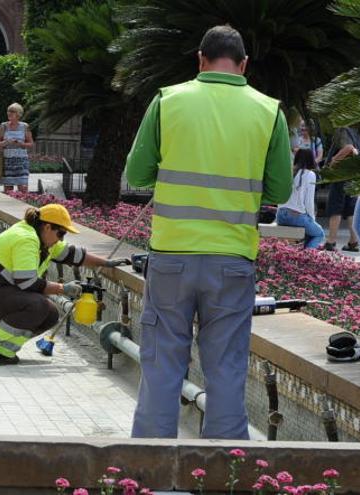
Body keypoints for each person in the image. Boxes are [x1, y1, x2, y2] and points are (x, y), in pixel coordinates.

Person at [124, 25, 292, 439]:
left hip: (171, 259)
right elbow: (281, 189)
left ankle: (149, 474)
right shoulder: (269, 110)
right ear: (244, 64)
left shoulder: (169, 100)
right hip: (232, 262)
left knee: (161, 367)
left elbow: (137, 173)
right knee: (227, 371)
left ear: (200, 59)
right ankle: (224, 474)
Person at [0, 204, 127, 365]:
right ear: (47, 227)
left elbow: (73, 255)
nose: (61, 239)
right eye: (60, 233)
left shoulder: (43, 238)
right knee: (38, 305)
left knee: (51, 314)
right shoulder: (26, 239)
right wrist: (63, 289)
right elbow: (27, 282)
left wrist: (106, 263)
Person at [322, 127, 360, 252]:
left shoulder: (343, 130)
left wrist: (333, 161)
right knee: (350, 210)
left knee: (336, 208)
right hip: (352, 176)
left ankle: (331, 241)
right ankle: (353, 242)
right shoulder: (356, 132)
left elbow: (349, 148)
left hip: (341, 176)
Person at [276, 149, 324, 249]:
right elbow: (309, 202)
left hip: (280, 215)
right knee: (319, 234)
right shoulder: (310, 174)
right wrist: (312, 219)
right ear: (311, 159)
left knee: (308, 233)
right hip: (296, 216)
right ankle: (305, 259)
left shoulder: (288, 172)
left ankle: (300, 255)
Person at [0, 103, 33, 193]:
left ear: (18, 114)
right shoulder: (3, 126)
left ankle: (23, 206)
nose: (9, 113)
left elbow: (31, 144)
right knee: (8, 190)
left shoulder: (25, 126)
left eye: (12, 112)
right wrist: (5, 142)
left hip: (21, 161)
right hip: (7, 161)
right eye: (8, 111)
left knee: (23, 188)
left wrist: (21, 144)